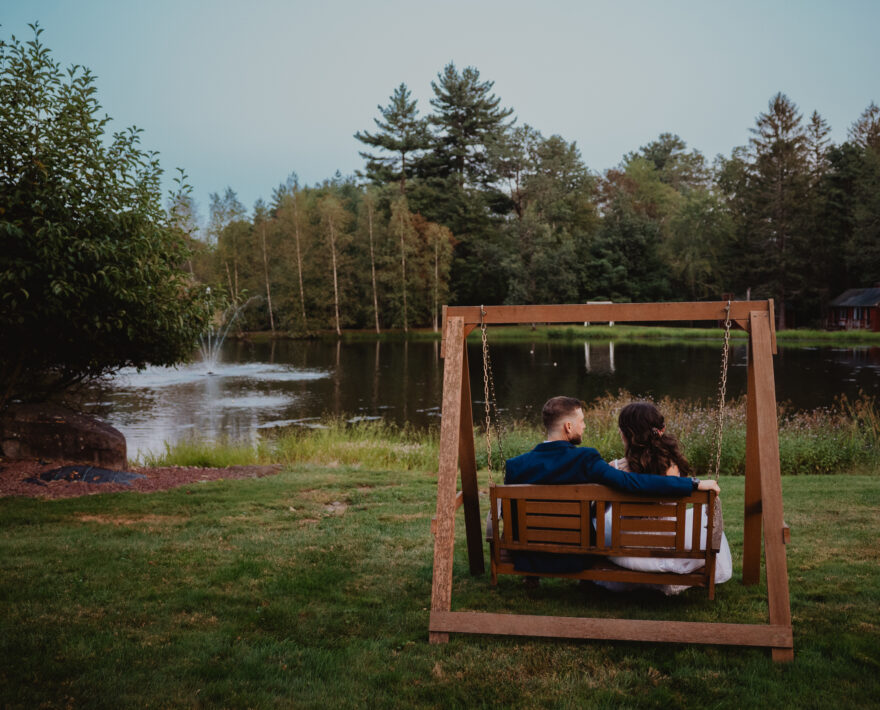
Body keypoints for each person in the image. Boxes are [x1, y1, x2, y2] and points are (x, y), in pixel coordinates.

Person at [504, 396, 720, 576]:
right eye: (582, 421)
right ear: (568, 427)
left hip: (528, 555)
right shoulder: (585, 459)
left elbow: (510, 514)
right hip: (575, 556)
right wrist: (692, 483)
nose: (584, 426)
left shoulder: (515, 466)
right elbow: (630, 482)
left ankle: (532, 579)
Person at [599, 401, 733, 594]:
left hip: (626, 551)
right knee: (702, 524)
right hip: (670, 549)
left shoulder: (614, 469)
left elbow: (601, 509)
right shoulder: (673, 468)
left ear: (626, 434)